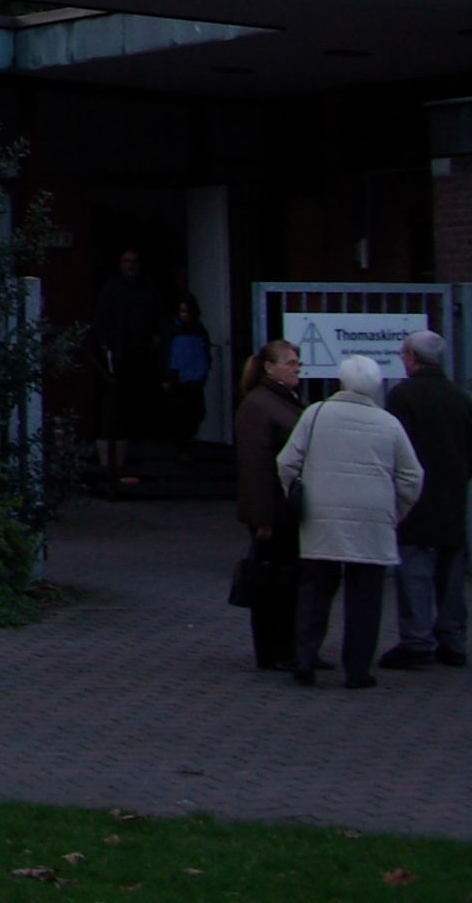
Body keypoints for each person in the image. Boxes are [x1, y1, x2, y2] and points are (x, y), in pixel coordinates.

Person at [276, 353, 425, 688]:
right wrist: (395, 510)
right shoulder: (388, 423)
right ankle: (357, 671)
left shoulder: (316, 414)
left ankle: (305, 658)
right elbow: (412, 477)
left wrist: (296, 494)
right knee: (365, 598)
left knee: (315, 589)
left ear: (341, 381)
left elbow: (287, 462)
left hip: (321, 514)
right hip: (372, 517)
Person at [381, 327, 472, 670]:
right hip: (452, 497)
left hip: (416, 498)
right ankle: (453, 640)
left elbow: (396, 449)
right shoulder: (461, 398)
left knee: (415, 570)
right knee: (451, 572)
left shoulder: (403, 396)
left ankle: (417, 640)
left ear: (412, 358)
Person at [230, 339, 305, 671]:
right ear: (269, 367)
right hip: (273, 511)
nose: (296, 369)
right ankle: (274, 650)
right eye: (290, 363)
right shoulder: (259, 405)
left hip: (285, 508)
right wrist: (262, 518)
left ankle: (291, 646)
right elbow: (255, 466)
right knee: (273, 581)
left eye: (297, 362)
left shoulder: (282, 401)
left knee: (288, 580)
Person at [90, 247, 168, 484]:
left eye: (134, 261)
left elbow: (159, 316)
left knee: (142, 396)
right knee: (116, 397)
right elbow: (100, 318)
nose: (130, 266)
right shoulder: (111, 289)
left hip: (143, 354)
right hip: (118, 354)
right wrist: (104, 344)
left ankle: (143, 439)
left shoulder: (148, 289)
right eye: (126, 261)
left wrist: (157, 337)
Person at [158, 292, 216, 445]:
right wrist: (166, 377)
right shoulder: (171, 331)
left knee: (196, 414)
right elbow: (165, 355)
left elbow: (205, 353)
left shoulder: (200, 330)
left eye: (187, 311)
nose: (185, 315)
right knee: (179, 416)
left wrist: (205, 371)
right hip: (177, 379)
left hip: (195, 379)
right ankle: (181, 448)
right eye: (182, 311)